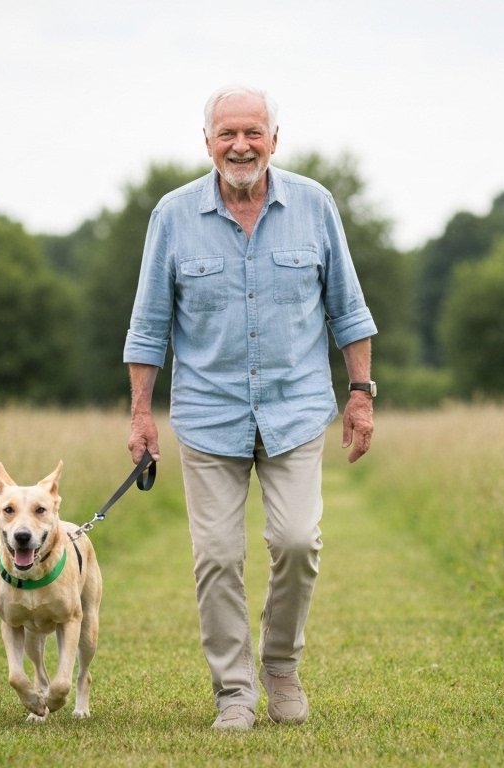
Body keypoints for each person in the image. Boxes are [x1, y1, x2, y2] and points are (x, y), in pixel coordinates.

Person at [123, 85, 377, 731]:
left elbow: (348, 310)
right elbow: (149, 324)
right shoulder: (172, 215)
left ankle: (282, 667)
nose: (241, 146)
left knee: (296, 541)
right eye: (227, 134)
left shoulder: (315, 205)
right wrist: (142, 415)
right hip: (209, 413)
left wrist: (361, 395)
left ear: (274, 138)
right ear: (207, 141)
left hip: (295, 409)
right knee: (217, 557)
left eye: (253, 133)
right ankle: (233, 693)